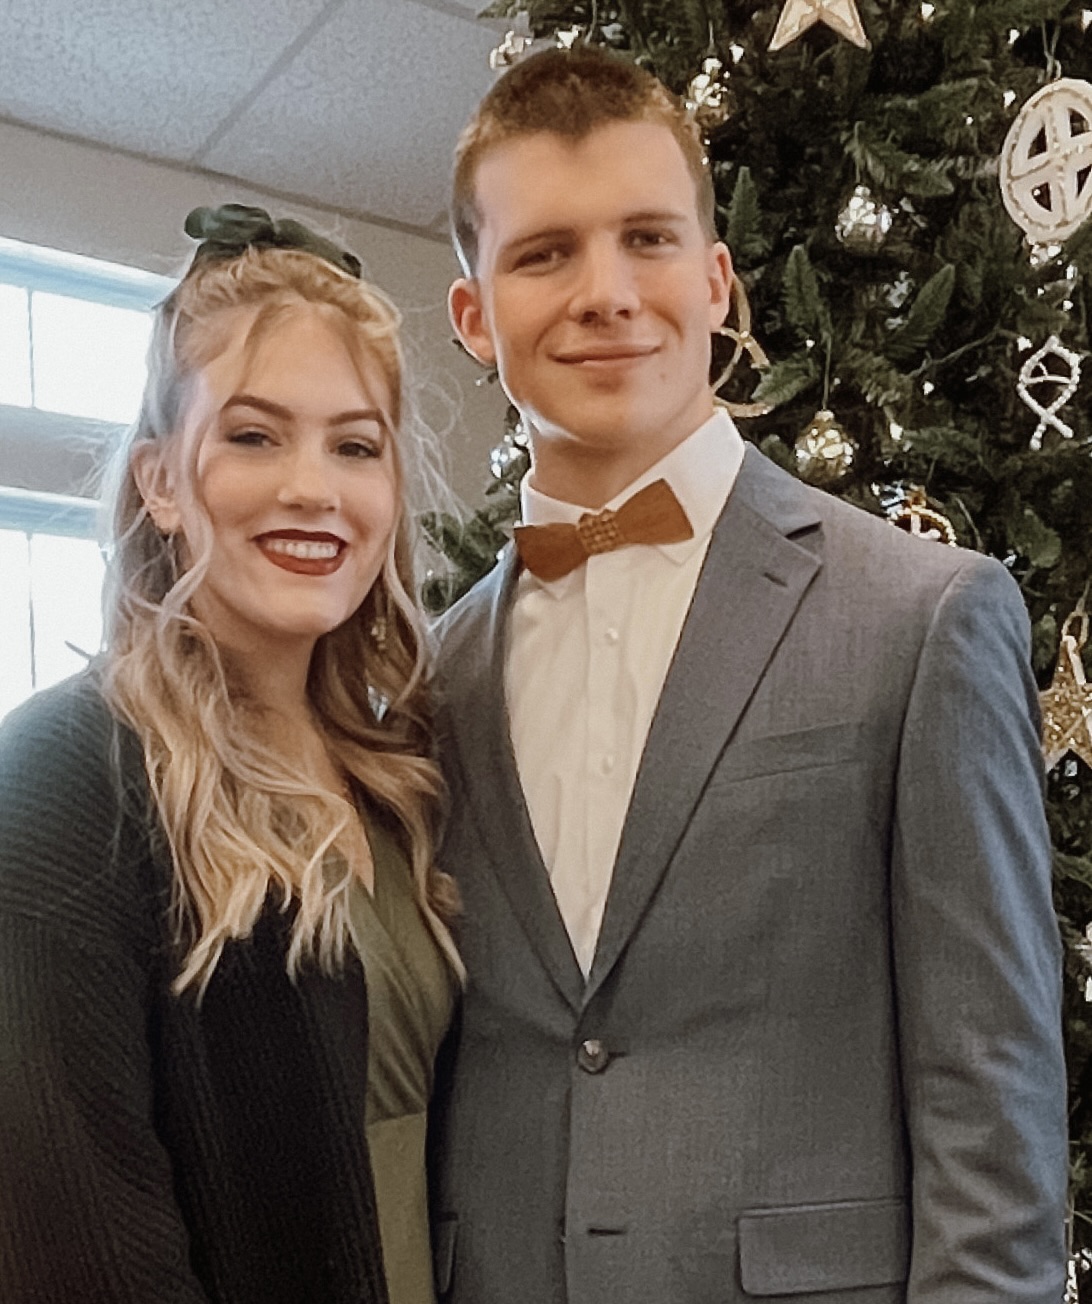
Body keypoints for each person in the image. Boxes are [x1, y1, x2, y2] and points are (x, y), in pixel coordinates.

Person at [428, 45, 1069, 1304]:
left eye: (649, 239)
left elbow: (990, 1105)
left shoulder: (923, 617)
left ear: (718, 282)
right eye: (545, 253)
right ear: (474, 316)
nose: (605, 292)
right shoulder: (432, 673)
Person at [0, 205, 459, 1304]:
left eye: (355, 445)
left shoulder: (400, 770)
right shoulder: (64, 781)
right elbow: (83, 1252)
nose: (314, 486)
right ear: (161, 479)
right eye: (254, 435)